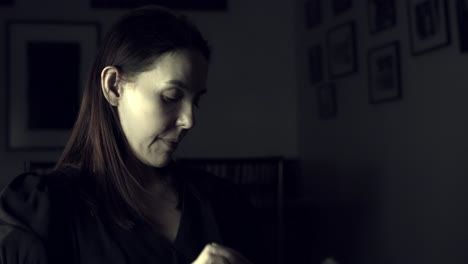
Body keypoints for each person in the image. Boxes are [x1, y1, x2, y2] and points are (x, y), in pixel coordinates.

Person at [0, 6, 265, 264]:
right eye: (171, 97)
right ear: (114, 87)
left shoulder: (224, 203)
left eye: (195, 101)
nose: (189, 120)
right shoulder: (41, 214)